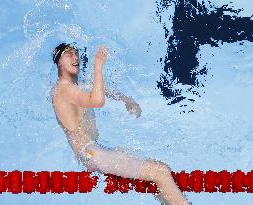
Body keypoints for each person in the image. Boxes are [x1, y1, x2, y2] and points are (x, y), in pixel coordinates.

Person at [51, 42, 190, 205]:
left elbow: (102, 89)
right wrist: (98, 67)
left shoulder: (75, 86)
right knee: (161, 172)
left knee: (159, 171)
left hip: (92, 152)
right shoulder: (64, 89)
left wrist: (126, 100)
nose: (75, 57)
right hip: (90, 154)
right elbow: (96, 100)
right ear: (59, 62)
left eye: (76, 53)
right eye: (69, 54)